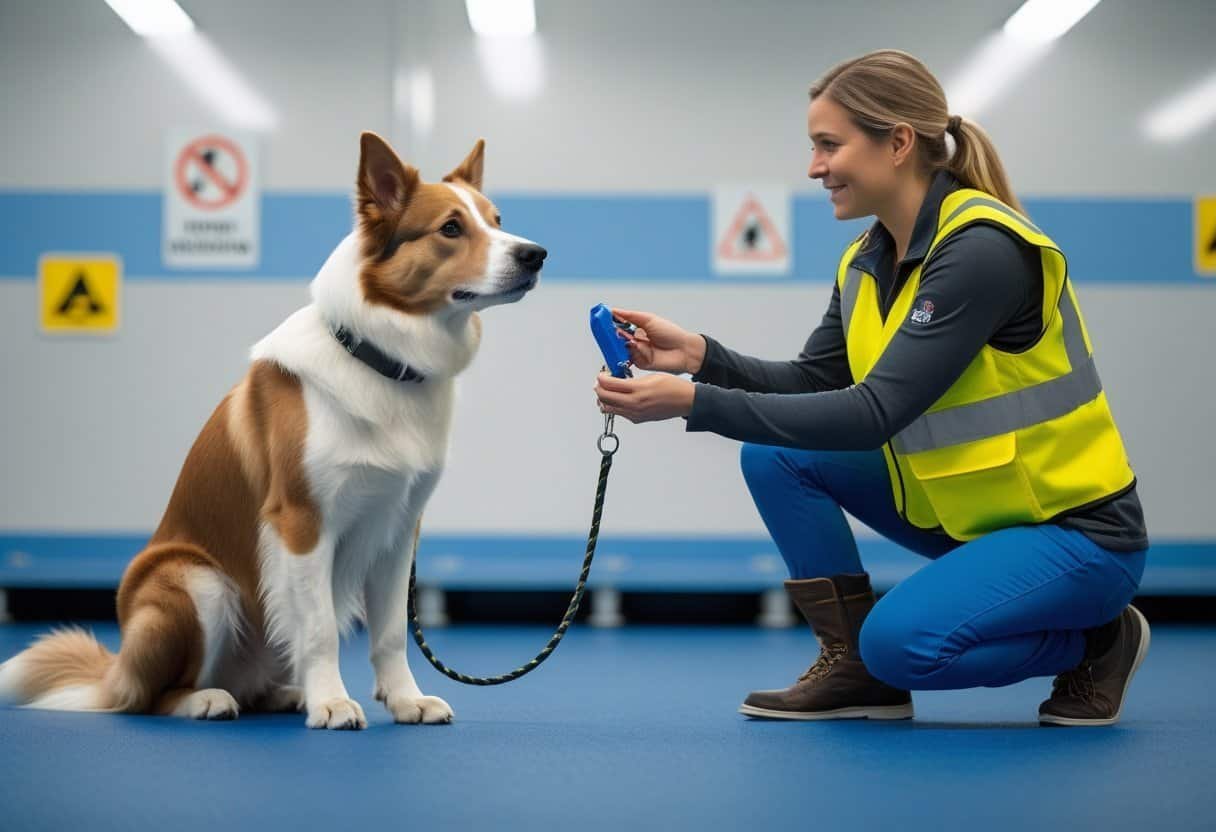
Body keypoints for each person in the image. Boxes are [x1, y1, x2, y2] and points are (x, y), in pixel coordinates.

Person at [593, 49, 1149, 727]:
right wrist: (699, 359)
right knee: (775, 455)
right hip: (977, 523)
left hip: (1079, 538)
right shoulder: (867, 257)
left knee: (903, 645)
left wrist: (696, 405)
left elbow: (874, 412)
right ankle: (854, 671)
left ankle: (1100, 639)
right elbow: (814, 382)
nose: (814, 167)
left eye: (829, 145)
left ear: (898, 143)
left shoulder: (979, 251)